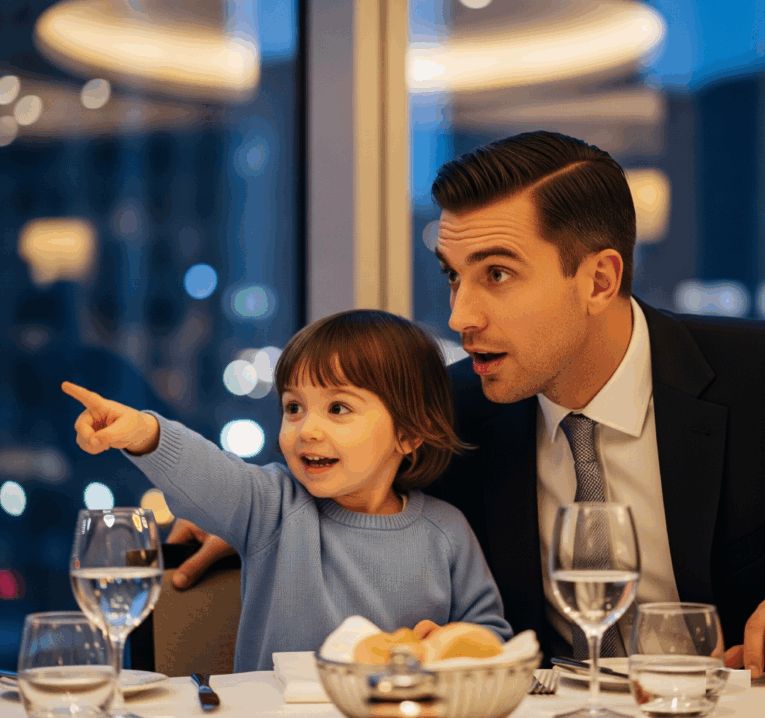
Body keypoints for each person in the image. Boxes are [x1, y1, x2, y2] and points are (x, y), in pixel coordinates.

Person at [167, 131, 765, 676]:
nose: (460, 316)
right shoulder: (442, 417)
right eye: (454, 276)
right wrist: (270, 517)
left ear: (599, 281)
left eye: (497, 275)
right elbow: (360, 500)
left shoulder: (752, 376)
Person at [62, 309, 513, 671]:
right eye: (294, 407)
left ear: (410, 434)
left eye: (338, 408)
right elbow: (208, 475)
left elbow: (492, 635)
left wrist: (451, 645)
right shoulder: (274, 506)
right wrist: (143, 431)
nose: (306, 429)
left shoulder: (447, 530)